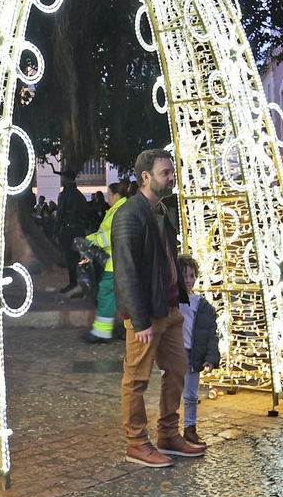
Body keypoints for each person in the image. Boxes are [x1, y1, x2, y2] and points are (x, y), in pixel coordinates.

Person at [112, 149, 201, 467]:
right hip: (146, 313)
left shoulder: (162, 209)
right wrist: (139, 320)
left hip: (170, 307)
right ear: (146, 177)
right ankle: (136, 443)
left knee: (177, 369)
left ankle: (168, 434)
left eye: (172, 171)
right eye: (166, 172)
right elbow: (125, 271)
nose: (172, 177)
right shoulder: (129, 213)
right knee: (136, 379)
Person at [174, 254, 220, 449]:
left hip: (192, 354)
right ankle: (169, 429)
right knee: (171, 393)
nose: (188, 280)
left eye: (191, 276)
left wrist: (210, 358)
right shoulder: (171, 301)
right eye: (184, 276)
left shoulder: (201, 305)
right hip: (174, 353)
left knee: (191, 395)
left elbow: (210, 334)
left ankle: (190, 428)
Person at [83, 181, 130, 343]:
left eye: (109, 195)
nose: (107, 198)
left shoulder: (120, 211)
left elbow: (113, 235)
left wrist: (93, 241)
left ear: (117, 196)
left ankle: (103, 331)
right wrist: (90, 239)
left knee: (106, 293)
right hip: (118, 261)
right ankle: (123, 330)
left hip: (117, 261)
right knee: (121, 295)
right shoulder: (119, 209)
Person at [57, 174, 89, 295]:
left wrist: (56, 230)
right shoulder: (80, 195)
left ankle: (73, 283)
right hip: (79, 230)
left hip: (68, 229)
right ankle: (80, 283)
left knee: (70, 258)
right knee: (79, 257)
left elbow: (60, 213)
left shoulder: (64, 195)